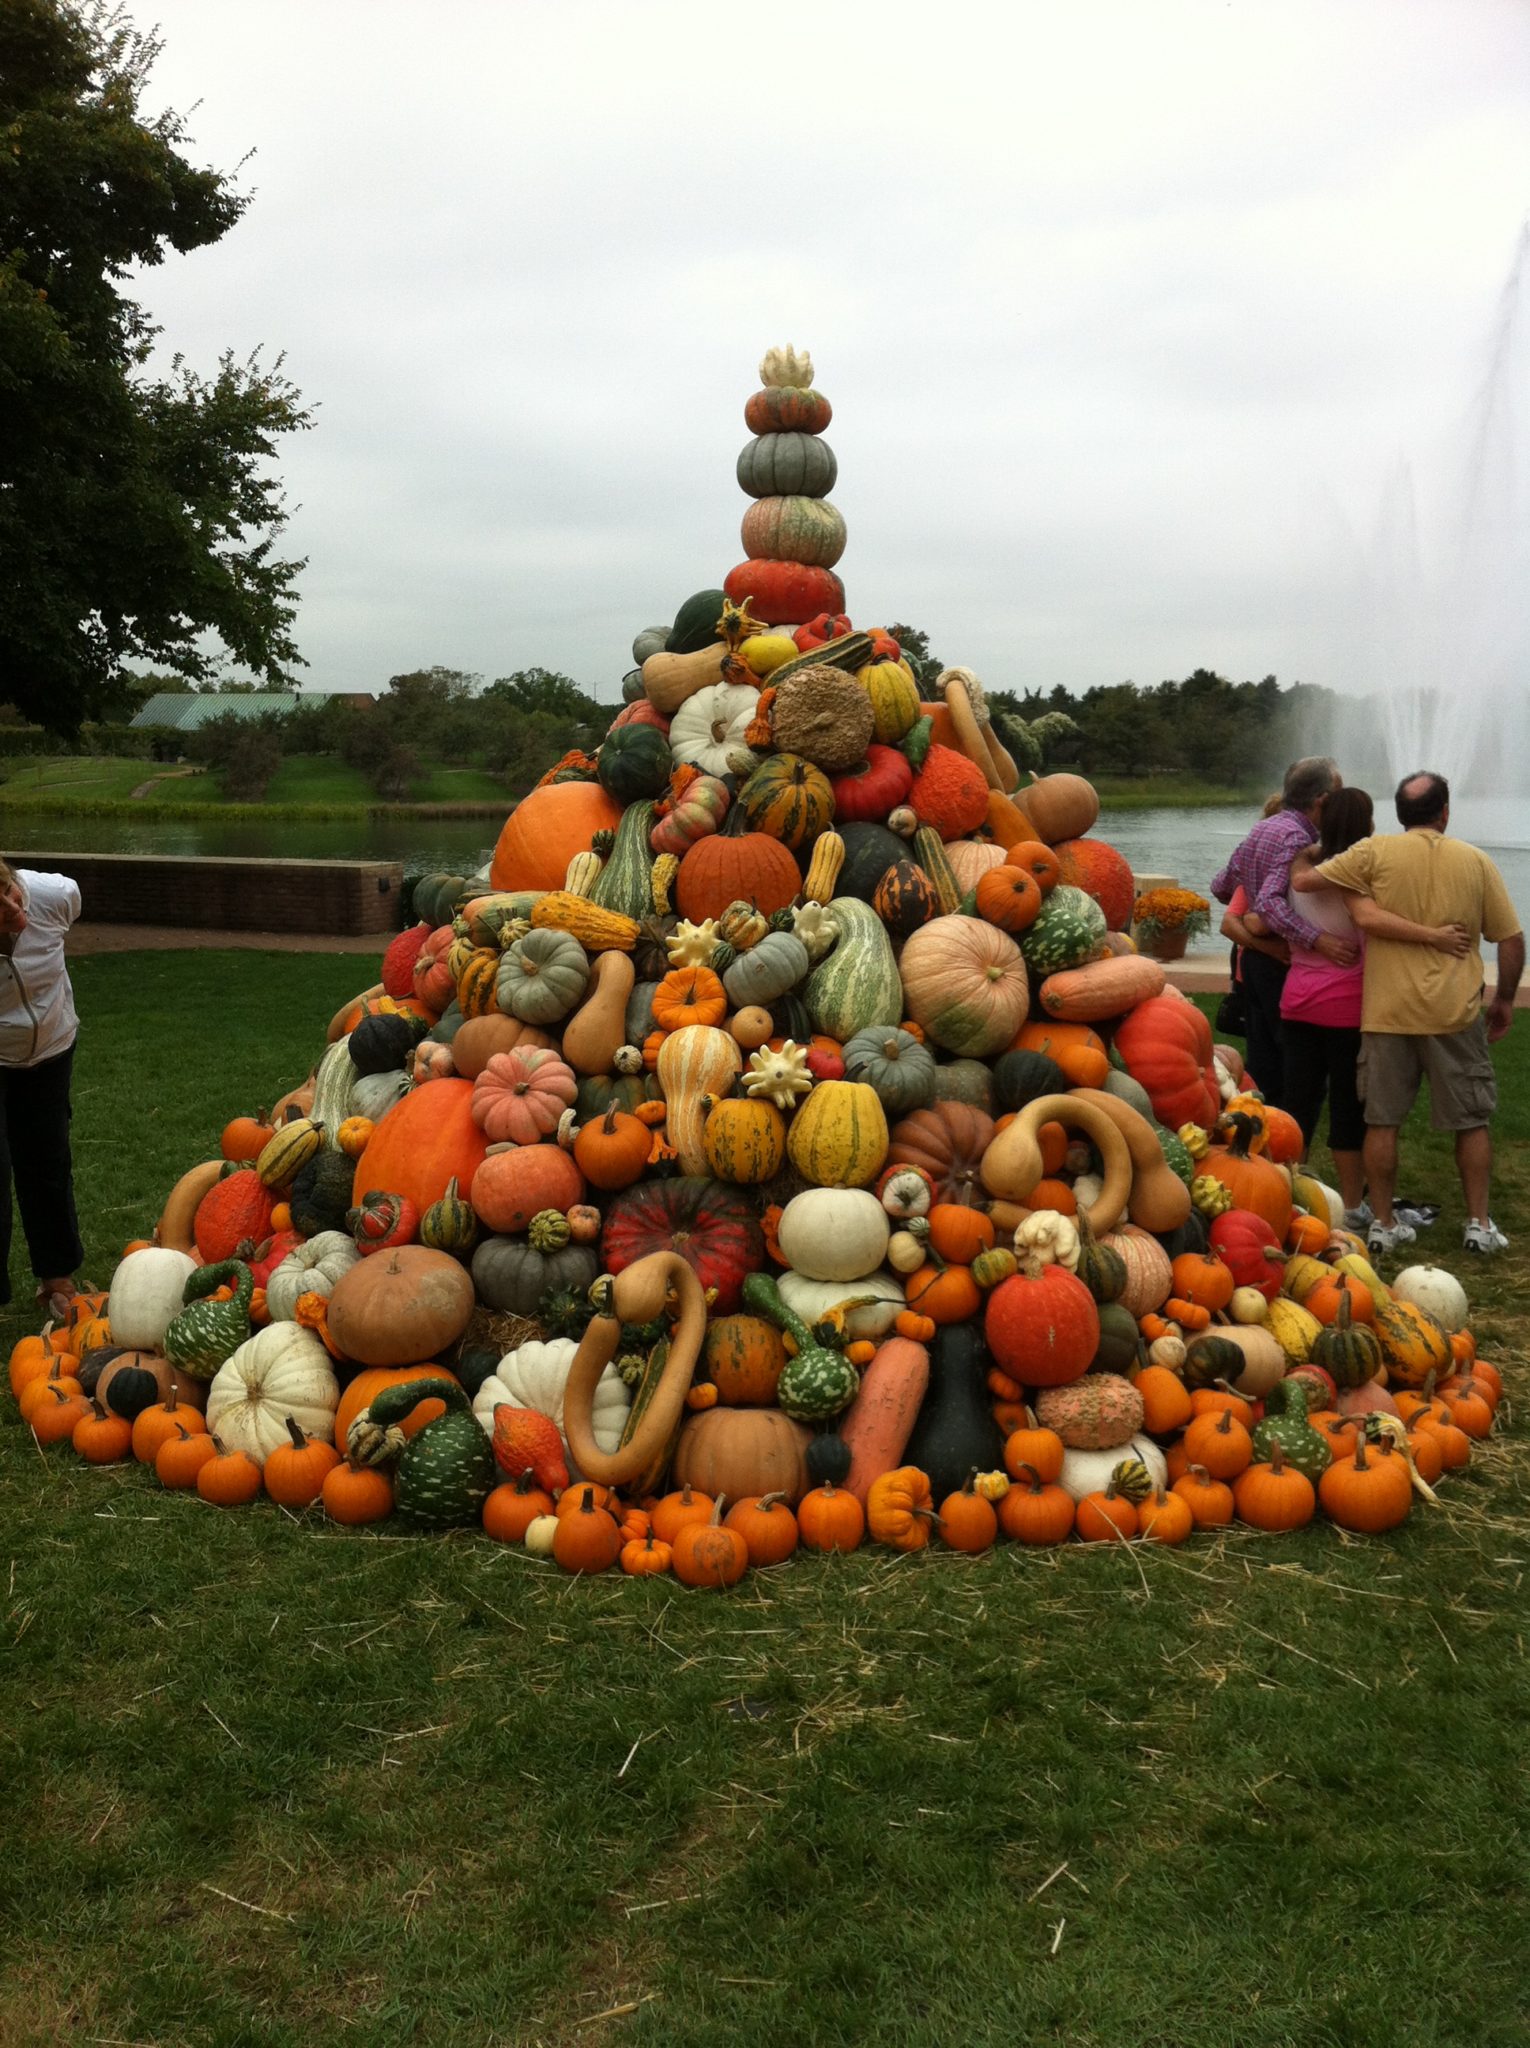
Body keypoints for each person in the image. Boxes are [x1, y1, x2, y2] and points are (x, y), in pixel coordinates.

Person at [1301, 772, 1524, 1257]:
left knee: (1381, 1122)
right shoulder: (1476, 860)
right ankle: (1479, 1224)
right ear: (1445, 812)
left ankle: (1381, 1224)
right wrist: (1504, 1000)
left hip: (1386, 1013)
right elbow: (1509, 939)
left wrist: (1309, 850)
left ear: (1400, 814)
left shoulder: (1372, 853)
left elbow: (1304, 880)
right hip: (1455, 1013)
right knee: (1472, 1120)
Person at [1257, 787, 1468, 1228]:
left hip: (1298, 1002)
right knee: (1349, 1111)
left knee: (1297, 1105)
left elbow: (1269, 905)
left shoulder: (1302, 864)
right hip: (1351, 1008)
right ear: (1367, 823)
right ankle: (1353, 1207)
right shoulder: (1364, 873)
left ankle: (1282, 1195)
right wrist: (1434, 935)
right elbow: (1374, 921)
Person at [1210, 756, 1354, 1109]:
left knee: (1263, 1065)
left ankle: (1261, 1133)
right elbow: (1273, 904)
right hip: (1280, 964)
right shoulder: (1296, 838)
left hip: (1255, 967)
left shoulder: (1264, 828)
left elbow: (1221, 885)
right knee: (1297, 1070)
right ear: (1321, 800)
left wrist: (1255, 909)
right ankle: (1284, 1141)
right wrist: (1316, 938)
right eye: (1335, 797)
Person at [0, 860, 86, 1319]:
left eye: (12, 892)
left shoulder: (56, 894)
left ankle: (56, 1275)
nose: (16, 909)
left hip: (52, 1047)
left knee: (47, 1160)